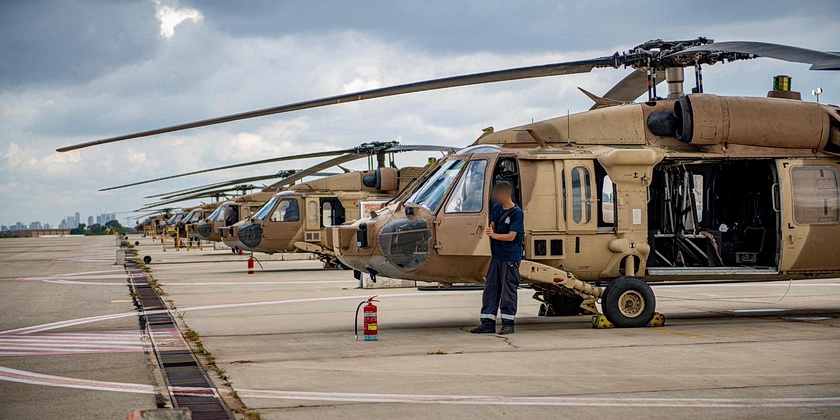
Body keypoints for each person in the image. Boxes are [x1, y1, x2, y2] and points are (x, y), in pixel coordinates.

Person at [470, 181, 524, 335]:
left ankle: (508, 323)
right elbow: (493, 223)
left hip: (510, 257)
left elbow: (512, 236)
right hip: (497, 256)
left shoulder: (517, 213)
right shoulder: (497, 208)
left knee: (508, 290)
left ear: (506, 194)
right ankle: (487, 322)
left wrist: (494, 235)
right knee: (491, 288)